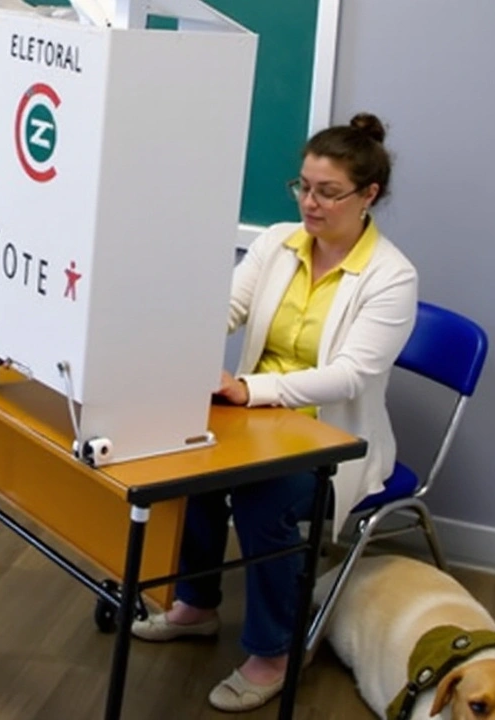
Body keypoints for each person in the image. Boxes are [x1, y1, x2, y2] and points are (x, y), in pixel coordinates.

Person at [131, 113, 418, 713]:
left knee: (264, 505)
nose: (310, 204)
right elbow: (229, 307)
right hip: (253, 414)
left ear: (368, 195)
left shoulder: (392, 276)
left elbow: (352, 374)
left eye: (328, 192)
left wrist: (248, 389)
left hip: (330, 437)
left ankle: (275, 651)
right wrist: (171, 329)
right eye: (303, 187)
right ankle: (196, 604)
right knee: (189, 466)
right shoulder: (277, 243)